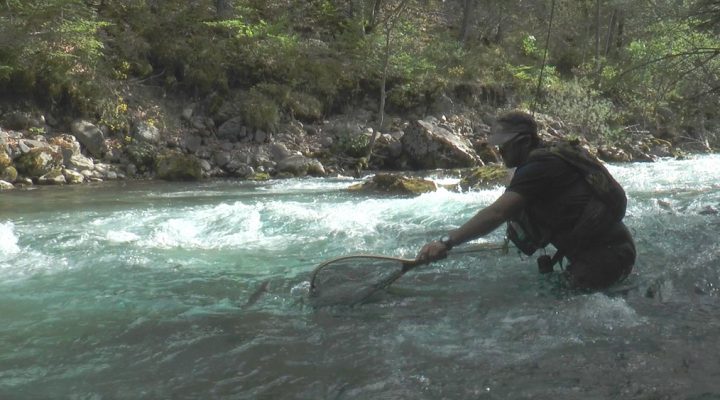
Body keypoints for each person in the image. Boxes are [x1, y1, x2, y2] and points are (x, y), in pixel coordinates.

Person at [417, 110, 636, 289]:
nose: (499, 150)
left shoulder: (540, 168)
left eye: (504, 144)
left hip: (606, 256)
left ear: (523, 141)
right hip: (611, 251)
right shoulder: (544, 158)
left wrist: (446, 242)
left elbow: (497, 213)